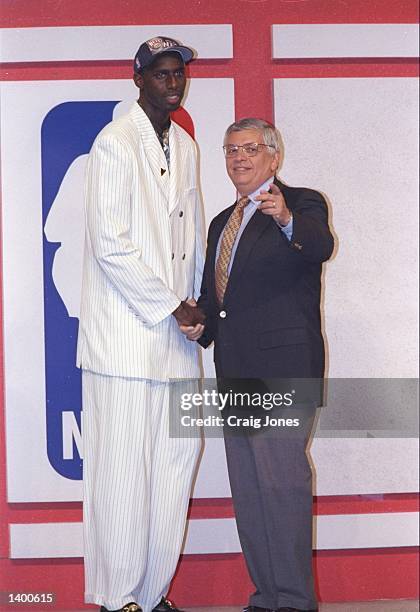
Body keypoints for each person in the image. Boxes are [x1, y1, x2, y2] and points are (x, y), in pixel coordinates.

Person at [77, 36, 205, 612]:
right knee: (123, 473)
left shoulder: (186, 144)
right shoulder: (113, 143)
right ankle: (118, 597)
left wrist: (200, 305)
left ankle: (152, 597)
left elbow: (194, 237)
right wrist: (173, 306)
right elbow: (110, 243)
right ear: (138, 80)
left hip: (177, 345)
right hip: (125, 340)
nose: (172, 83)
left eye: (178, 73)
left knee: (174, 471)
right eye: (161, 74)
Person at [185, 118, 334, 612]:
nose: (239, 158)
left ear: (274, 156)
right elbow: (215, 299)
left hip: (284, 370)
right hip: (236, 371)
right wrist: (198, 325)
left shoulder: (302, 202)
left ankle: (293, 602)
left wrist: (286, 217)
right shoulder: (220, 223)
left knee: (282, 486)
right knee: (250, 494)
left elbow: (318, 244)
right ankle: (265, 598)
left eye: (250, 149)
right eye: (230, 150)